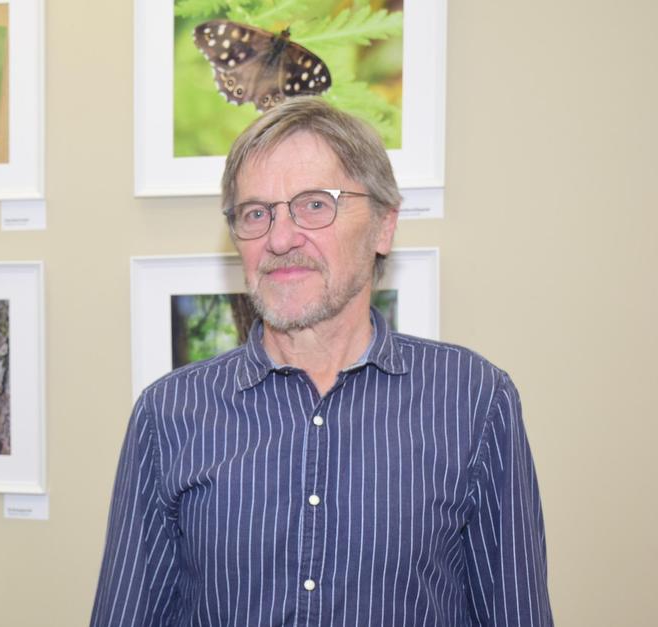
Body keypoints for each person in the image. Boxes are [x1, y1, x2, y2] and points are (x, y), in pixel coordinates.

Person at [92, 98, 551, 626]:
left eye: (315, 204)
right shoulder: (169, 413)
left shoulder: (473, 399)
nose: (280, 239)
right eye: (256, 213)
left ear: (383, 226)